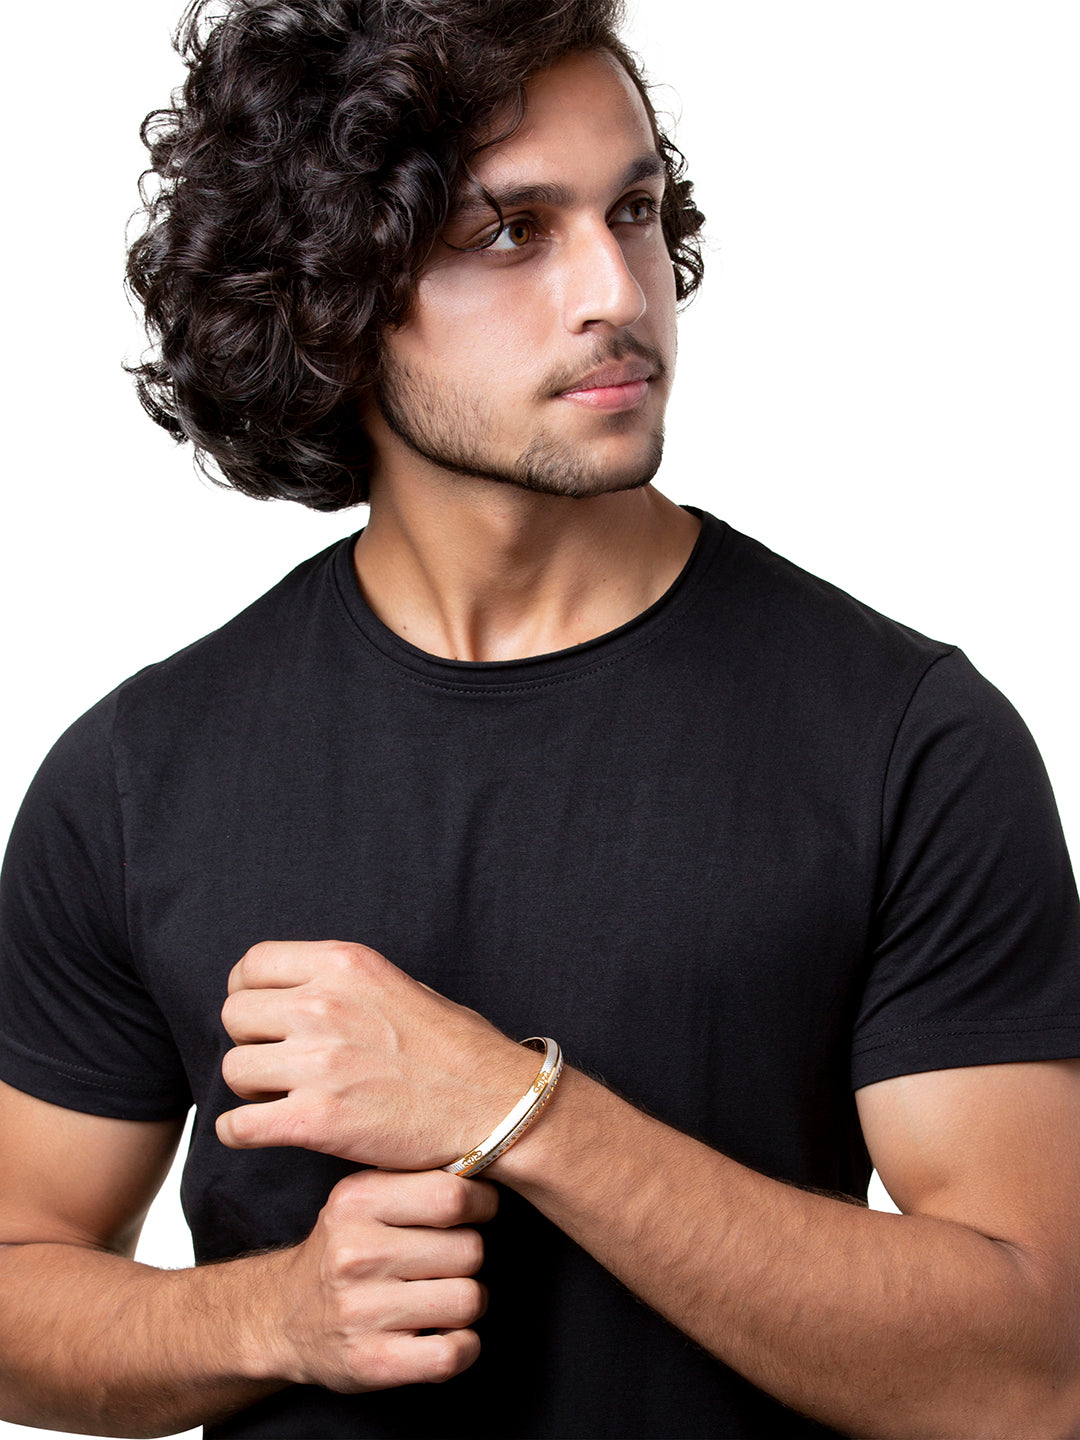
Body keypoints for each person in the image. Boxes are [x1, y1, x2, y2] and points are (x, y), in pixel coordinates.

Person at [1, 1, 1078, 1437]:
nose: (617, 291)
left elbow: (1030, 1374)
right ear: (332, 297)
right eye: (511, 232)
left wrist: (517, 1114)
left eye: (632, 210)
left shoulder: (906, 741)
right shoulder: (141, 775)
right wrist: (273, 1317)